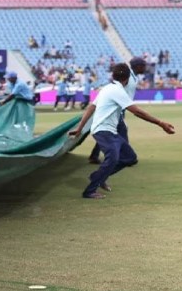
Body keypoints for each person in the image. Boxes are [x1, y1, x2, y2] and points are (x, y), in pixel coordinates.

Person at [68, 62, 175, 199]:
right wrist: (160, 123)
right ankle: (89, 191)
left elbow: (91, 107)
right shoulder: (118, 91)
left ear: (113, 76)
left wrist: (80, 128)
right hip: (103, 130)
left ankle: (98, 176)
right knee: (112, 158)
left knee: (130, 158)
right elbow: (137, 112)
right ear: (127, 78)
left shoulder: (107, 88)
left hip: (109, 131)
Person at [88, 56, 146, 164]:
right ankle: (126, 157)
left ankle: (94, 155)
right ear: (138, 66)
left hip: (120, 107)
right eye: (143, 65)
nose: (145, 68)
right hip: (118, 108)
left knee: (109, 131)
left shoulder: (133, 77)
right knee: (121, 131)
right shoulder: (129, 78)